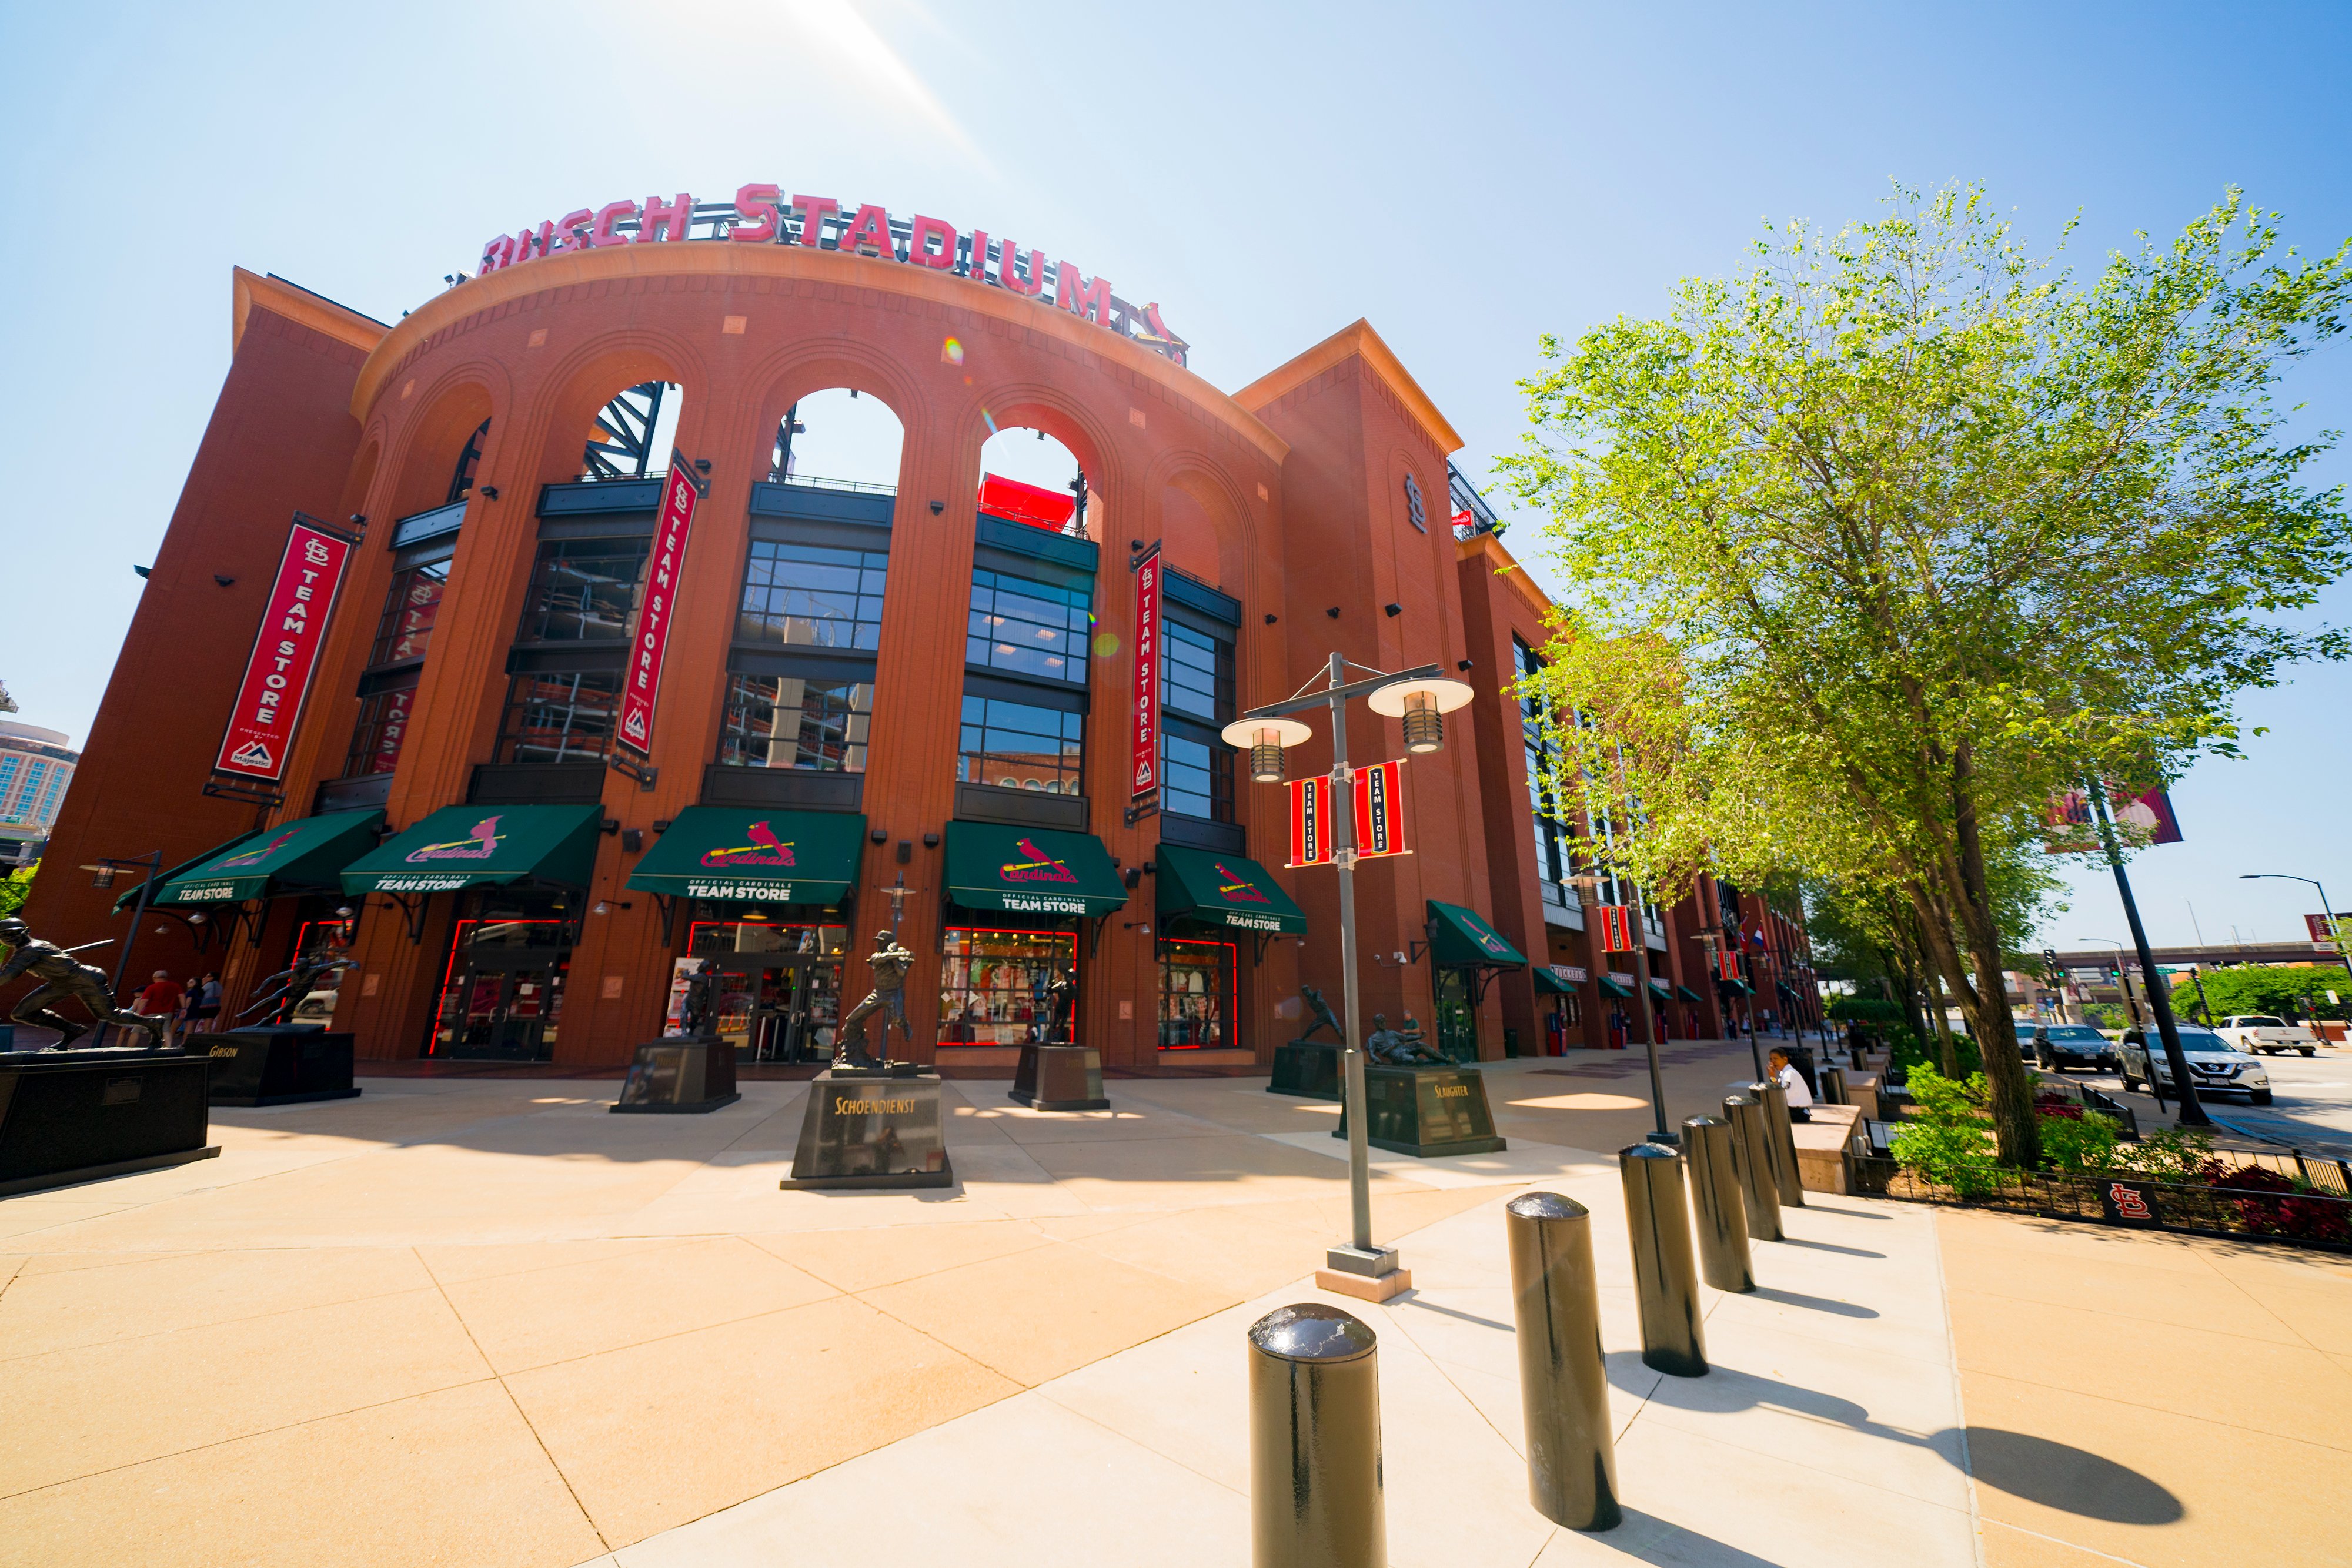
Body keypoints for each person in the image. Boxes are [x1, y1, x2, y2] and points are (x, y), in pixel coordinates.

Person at [133, 970, 185, 1049]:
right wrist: (184, 1008)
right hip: (168, 1012)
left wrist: (138, 1012)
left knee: (136, 1030)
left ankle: (130, 1047)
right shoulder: (175, 986)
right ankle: (168, 1047)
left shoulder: (151, 987)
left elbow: (144, 1001)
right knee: (166, 1030)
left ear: (154, 978)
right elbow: (181, 996)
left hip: (150, 1012)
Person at [1769, 1046, 1813, 1122]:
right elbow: (1778, 1090)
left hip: (1798, 1113)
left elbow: (1782, 1095)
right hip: (1796, 1112)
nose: (1773, 1062)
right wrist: (1772, 1077)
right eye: (1771, 1059)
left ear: (1785, 1059)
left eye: (1776, 1059)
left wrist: (1772, 1077)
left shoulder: (1789, 1074)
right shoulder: (1785, 1073)